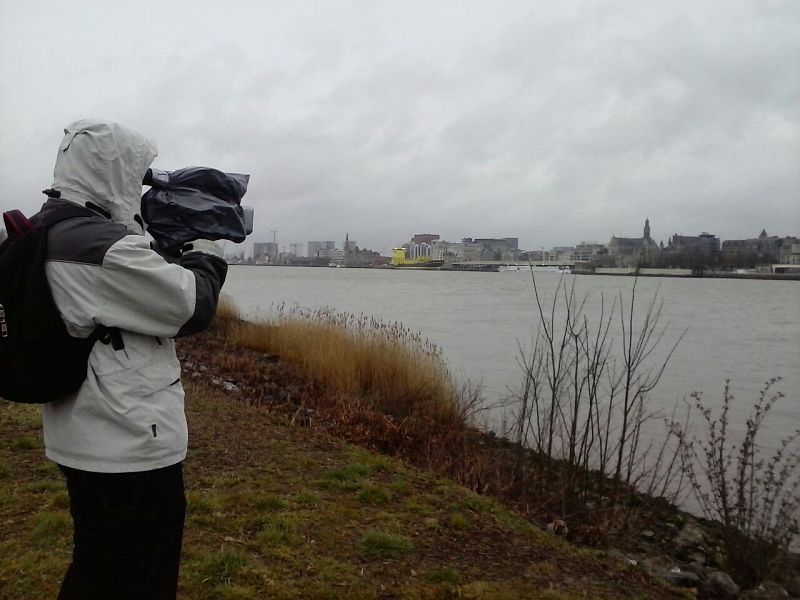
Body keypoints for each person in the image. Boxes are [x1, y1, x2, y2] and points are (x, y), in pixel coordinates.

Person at [32, 119, 228, 599]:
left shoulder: (51, 231)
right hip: (129, 441)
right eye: (138, 173)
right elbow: (192, 306)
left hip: (80, 432)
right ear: (112, 170)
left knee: (98, 564)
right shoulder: (102, 249)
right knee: (142, 575)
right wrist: (205, 247)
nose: (144, 184)